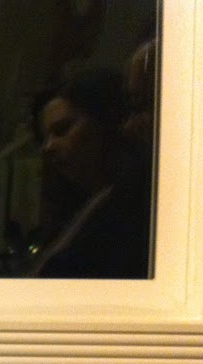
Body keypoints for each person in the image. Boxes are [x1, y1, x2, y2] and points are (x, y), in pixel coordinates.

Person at [28, 67, 153, 279]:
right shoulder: (80, 209)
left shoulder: (134, 210)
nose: (48, 147)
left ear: (103, 123)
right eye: (44, 138)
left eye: (62, 130)